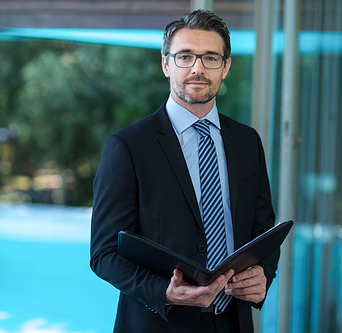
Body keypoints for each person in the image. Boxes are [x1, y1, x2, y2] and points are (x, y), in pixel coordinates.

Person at [90, 9, 279, 333]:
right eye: (185, 56)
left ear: (226, 66)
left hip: (234, 323)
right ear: (166, 64)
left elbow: (263, 231)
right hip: (158, 323)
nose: (197, 68)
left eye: (210, 58)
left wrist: (263, 275)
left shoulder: (247, 142)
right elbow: (104, 254)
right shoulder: (128, 146)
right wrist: (164, 291)